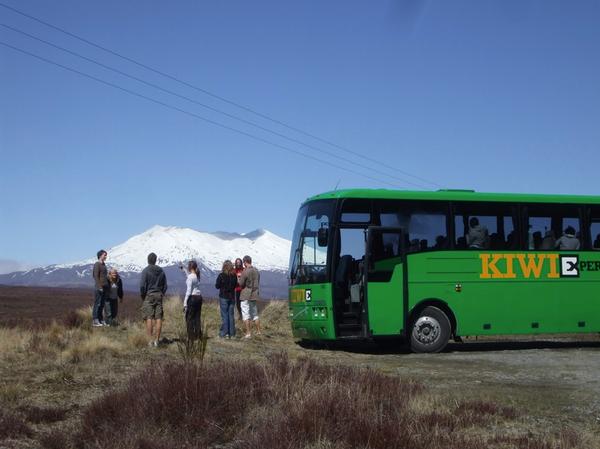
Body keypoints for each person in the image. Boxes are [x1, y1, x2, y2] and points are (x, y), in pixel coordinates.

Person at [140, 252, 167, 347]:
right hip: (159, 295)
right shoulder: (161, 271)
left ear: (148, 260)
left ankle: (150, 341)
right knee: (159, 318)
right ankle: (157, 341)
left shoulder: (146, 271)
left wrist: (143, 296)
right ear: (156, 260)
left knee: (149, 318)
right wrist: (162, 293)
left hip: (149, 295)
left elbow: (142, 285)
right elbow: (165, 285)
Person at [238, 255, 261, 339]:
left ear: (245, 262)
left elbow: (241, 284)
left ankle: (248, 333)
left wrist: (238, 278)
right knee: (255, 314)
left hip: (246, 295)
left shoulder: (245, 271)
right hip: (254, 294)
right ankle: (259, 331)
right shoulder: (257, 271)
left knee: (246, 315)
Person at [215, 260, 238, 339]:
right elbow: (235, 285)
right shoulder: (234, 276)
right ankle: (232, 334)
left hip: (224, 297)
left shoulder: (221, 275)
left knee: (224, 315)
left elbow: (217, 286)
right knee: (231, 315)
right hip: (232, 297)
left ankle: (224, 333)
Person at [182, 260, 202, 340]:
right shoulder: (196, 276)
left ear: (190, 267)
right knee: (197, 317)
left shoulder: (190, 277)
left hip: (192, 298)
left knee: (189, 318)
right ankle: (198, 335)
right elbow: (189, 276)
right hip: (199, 297)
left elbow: (188, 291)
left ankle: (191, 336)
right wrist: (184, 270)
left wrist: (185, 303)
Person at [92, 250, 109, 327]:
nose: (106, 256)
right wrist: (99, 287)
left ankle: (100, 319)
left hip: (105, 287)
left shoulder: (104, 265)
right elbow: (95, 276)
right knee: (97, 304)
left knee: (102, 304)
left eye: (106, 255)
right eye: (104, 255)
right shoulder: (97, 264)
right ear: (100, 255)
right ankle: (95, 320)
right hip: (99, 288)